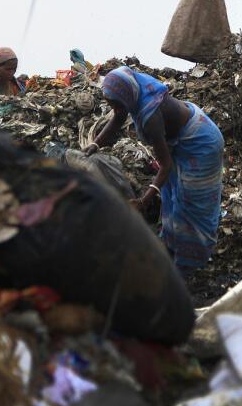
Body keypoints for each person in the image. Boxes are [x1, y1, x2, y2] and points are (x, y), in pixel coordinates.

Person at [84, 66, 224, 278]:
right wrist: (94, 145)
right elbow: (118, 118)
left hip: (201, 143)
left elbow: (165, 165)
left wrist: (145, 199)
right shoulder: (134, 92)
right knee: (171, 195)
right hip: (181, 140)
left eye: (115, 103)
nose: (114, 107)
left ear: (125, 97)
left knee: (191, 204)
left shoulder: (150, 116)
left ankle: (190, 263)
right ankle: (170, 248)